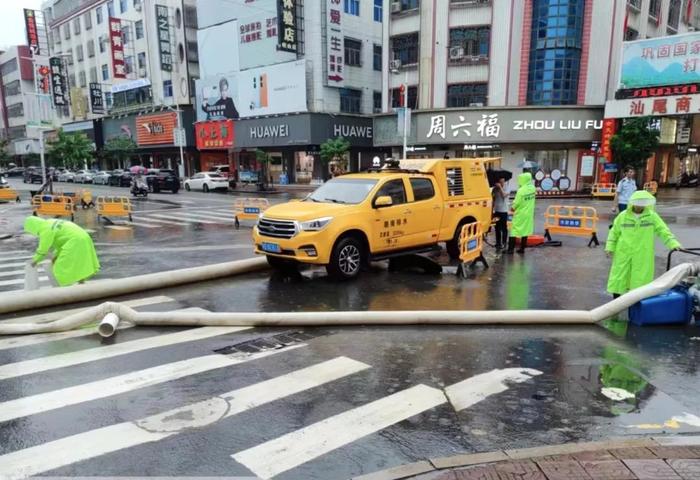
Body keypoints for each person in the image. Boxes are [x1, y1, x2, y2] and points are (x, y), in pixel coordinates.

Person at [605, 190, 681, 298]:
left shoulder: (652, 216)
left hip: (642, 252)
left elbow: (663, 230)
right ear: (632, 203)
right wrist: (609, 248)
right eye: (637, 203)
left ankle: (637, 302)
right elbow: (614, 233)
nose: (639, 207)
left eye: (642, 204)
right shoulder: (623, 216)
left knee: (640, 278)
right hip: (623, 251)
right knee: (620, 276)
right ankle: (616, 301)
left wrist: (673, 243)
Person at [24, 217, 100, 287]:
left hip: (75, 241)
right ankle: (81, 282)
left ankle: (64, 286)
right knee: (80, 262)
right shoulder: (50, 222)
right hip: (83, 237)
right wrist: (55, 255)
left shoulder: (45, 229)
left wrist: (35, 260)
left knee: (60, 266)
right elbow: (61, 241)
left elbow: (43, 249)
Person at [507, 172, 536, 254]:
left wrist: (512, 209)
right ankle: (522, 248)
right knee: (525, 230)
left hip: (520, 214)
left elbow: (516, 203)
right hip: (529, 214)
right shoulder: (533, 188)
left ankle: (510, 250)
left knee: (513, 231)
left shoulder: (521, 190)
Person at [492, 176, 510, 250]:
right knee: (497, 227)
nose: (501, 182)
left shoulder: (507, 188)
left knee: (504, 228)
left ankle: (504, 242)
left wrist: (500, 188)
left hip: (504, 211)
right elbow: (493, 198)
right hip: (497, 211)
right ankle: (498, 243)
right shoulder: (495, 189)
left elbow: (504, 195)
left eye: (502, 181)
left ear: (504, 181)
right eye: (500, 181)